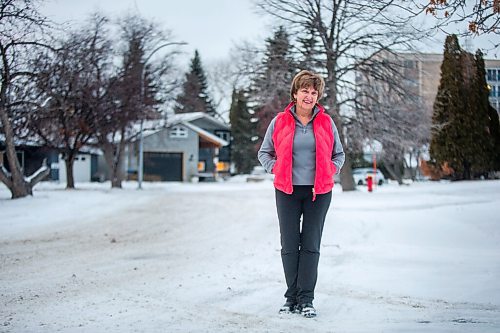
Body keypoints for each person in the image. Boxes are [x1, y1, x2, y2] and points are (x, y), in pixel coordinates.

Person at [258, 70, 345, 318]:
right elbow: (264, 152)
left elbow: (339, 155)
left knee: (310, 246)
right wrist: (276, 168)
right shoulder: (280, 122)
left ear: (318, 97)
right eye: (305, 91)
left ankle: (306, 300)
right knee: (289, 245)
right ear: (295, 93)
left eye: (313, 92)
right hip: (287, 191)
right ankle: (291, 298)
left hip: (319, 192)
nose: (309, 96)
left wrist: (330, 169)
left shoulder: (326, 123)